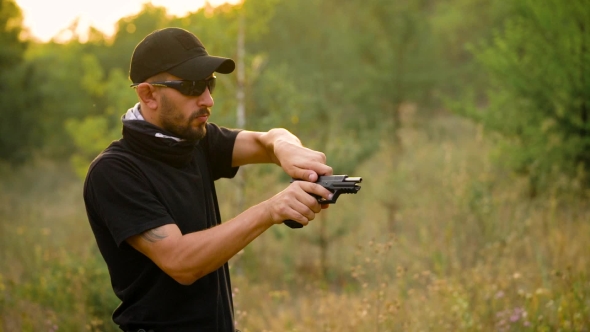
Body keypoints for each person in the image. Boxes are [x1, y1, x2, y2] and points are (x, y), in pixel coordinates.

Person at [83, 27, 333, 332]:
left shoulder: (193, 138)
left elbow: (269, 139)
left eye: (209, 84)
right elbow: (181, 262)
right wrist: (271, 209)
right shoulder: (115, 172)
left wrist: (285, 147)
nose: (208, 99)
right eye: (192, 86)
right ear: (148, 94)